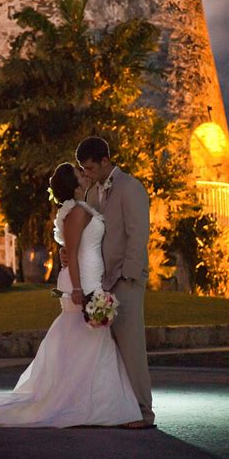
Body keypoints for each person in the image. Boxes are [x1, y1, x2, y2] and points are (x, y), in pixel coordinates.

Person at [0, 162, 142, 430]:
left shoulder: (79, 210)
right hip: (81, 281)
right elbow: (71, 252)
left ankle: (94, 404)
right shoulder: (77, 213)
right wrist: (80, 288)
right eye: (79, 173)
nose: (84, 174)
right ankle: (103, 408)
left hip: (89, 276)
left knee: (90, 339)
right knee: (90, 337)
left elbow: (74, 249)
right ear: (74, 184)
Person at [75, 136, 155, 429]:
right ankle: (121, 409)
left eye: (91, 168)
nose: (87, 174)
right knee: (110, 350)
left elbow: (138, 235)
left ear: (106, 161)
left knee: (132, 347)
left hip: (127, 279)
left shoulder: (131, 188)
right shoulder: (93, 193)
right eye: (84, 170)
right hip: (103, 282)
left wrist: (128, 275)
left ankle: (145, 413)